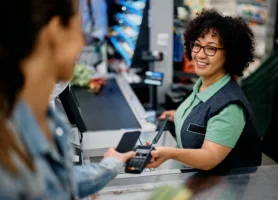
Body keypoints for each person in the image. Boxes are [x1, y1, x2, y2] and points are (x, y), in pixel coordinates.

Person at [0, 0, 136, 199]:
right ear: (55, 31)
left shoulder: (47, 120)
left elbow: (60, 182)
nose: (82, 42)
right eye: (77, 28)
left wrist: (109, 166)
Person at [147, 9, 262, 172]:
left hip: (222, 188)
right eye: (197, 45)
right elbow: (203, 116)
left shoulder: (230, 106)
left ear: (229, 54)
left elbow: (210, 157)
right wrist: (180, 115)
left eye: (211, 48)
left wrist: (170, 153)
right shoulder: (203, 84)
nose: (200, 55)